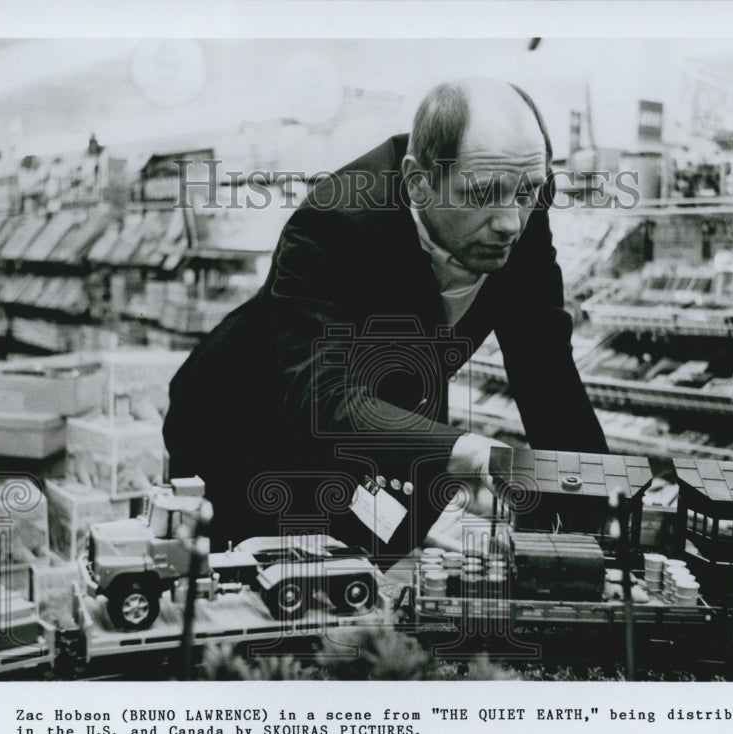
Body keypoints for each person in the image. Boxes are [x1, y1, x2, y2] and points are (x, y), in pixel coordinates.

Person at [163, 77, 608, 567]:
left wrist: (597, 516)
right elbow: (324, 397)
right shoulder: (332, 224)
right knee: (267, 604)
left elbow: (545, 364)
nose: (509, 222)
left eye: (529, 191)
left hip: (380, 430)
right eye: (481, 193)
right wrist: (474, 453)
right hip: (245, 429)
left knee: (375, 583)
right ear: (418, 180)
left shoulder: (518, 206)